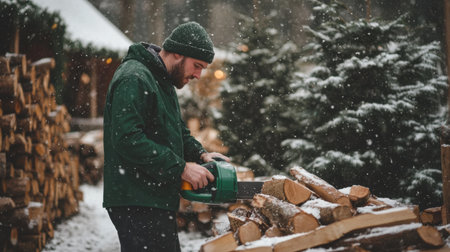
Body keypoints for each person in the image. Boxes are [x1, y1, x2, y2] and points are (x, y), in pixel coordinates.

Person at [103, 22, 230, 252]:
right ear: (178, 53)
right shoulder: (135, 77)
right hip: (137, 200)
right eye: (197, 66)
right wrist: (181, 168)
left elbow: (177, 132)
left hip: (153, 198)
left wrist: (201, 154)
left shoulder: (162, 81)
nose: (199, 75)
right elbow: (127, 139)